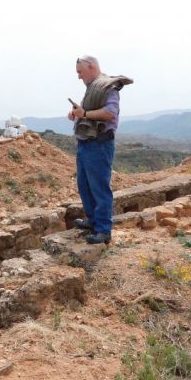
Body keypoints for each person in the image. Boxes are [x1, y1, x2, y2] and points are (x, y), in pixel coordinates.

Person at [67, 55, 132, 245]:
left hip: (99, 144)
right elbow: (87, 112)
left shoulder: (108, 86)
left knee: (99, 188)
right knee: (85, 185)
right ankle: (93, 222)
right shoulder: (93, 88)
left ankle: (103, 230)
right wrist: (76, 115)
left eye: (80, 72)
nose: (79, 76)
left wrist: (85, 114)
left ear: (92, 67)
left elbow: (110, 112)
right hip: (86, 144)